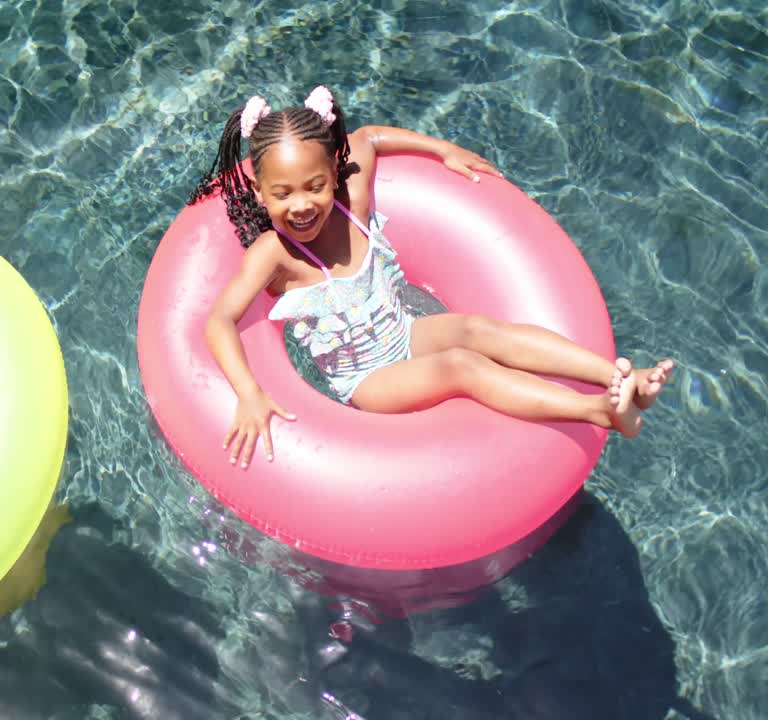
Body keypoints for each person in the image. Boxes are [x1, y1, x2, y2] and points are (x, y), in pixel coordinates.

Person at [195, 86, 674, 469]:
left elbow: (371, 137)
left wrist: (445, 150)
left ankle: (619, 377)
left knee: (475, 329)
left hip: (404, 330)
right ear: (259, 193)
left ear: (333, 172)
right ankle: (600, 412)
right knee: (461, 364)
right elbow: (220, 319)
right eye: (282, 193)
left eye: (315, 186)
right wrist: (249, 393)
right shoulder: (274, 253)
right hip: (367, 380)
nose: (301, 204)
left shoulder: (351, 203)